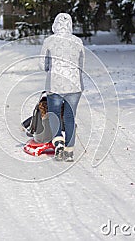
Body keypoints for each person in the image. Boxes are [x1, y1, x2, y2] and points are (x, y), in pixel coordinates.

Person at [39, 13, 85, 162]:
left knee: (54, 114)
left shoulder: (49, 41)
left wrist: (50, 68)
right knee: (70, 117)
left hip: (55, 84)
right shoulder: (78, 41)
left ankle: (58, 143)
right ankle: (69, 151)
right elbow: (81, 65)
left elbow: (42, 64)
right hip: (74, 85)